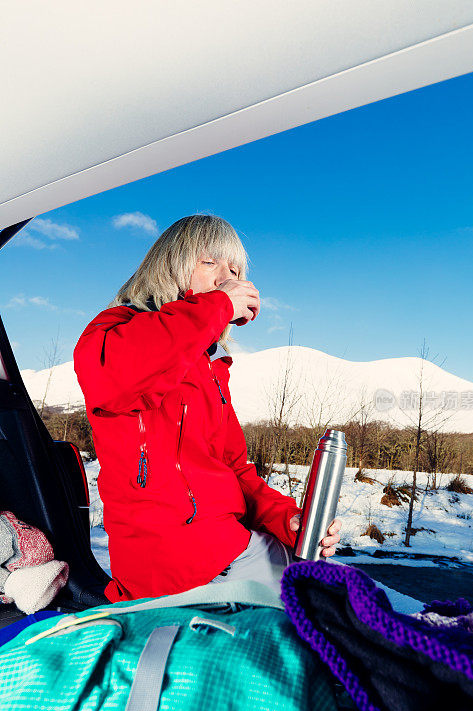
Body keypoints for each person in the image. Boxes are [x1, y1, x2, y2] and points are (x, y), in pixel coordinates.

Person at [74, 214, 341, 602]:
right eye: (210, 262)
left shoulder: (212, 367)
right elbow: (118, 375)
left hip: (235, 549)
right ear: (172, 261)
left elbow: (236, 472)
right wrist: (216, 306)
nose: (225, 278)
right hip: (171, 572)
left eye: (234, 269)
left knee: (348, 604)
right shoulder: (115, 331)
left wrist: (290, 520)